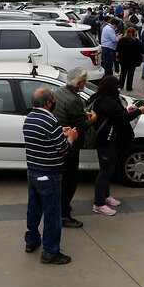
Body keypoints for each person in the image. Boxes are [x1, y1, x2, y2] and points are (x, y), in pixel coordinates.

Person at [22, 87, 78, 264]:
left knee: (34, 209)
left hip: (33, 172)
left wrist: (60, 131)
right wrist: (71, 137)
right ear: (49, 103)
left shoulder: (29, 118)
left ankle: (31, 240)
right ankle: (50, 251)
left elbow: (44, 138)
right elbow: (64, 149)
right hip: (50, 175)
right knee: (52, 214)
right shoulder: (50, 121)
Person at [91, 76, 144, 216]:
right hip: (105, 141)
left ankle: (106, 196)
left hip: (110, 140)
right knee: (105, 172)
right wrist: (139, 111)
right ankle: (98, 204)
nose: (118, 89)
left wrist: (127, 110)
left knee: (109, 170)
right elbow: (123, 118)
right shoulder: (107, 101)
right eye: (116, 86)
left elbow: (118, 115)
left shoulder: (105, 99)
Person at [52, 67, 97, 229]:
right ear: (78, 83)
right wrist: (93, 119)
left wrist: (80, 114)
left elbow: (68, 114)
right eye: (84, 82)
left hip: (60, 140)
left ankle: (60, 208)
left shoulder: (59, 92)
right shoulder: (74, 100)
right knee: (70, 182)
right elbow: (81, 125)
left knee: (62, 180)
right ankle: (64, 215)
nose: (85, 85)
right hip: (71, 145)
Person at [116, 27, 143, 92]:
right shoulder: (136, 41)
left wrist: (116, 57)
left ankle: (121, 85)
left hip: (123, 59)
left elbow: (117, 49)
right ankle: (129, 86)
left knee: (123, 72)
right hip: (133, 59)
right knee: (131, 73)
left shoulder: (122, 40)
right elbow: (140, 51)